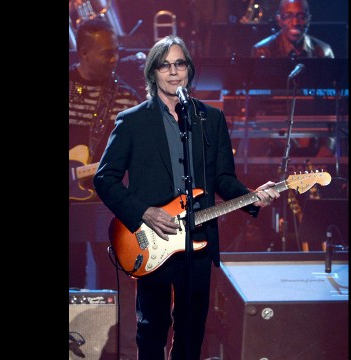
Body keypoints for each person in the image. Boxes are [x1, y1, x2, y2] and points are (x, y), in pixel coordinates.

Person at [93, 35, 280, 360]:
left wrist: (252, 197)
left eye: (179, 63)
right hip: (152, 238)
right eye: (165, 65)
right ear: (153, 72)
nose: (173, 71)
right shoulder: (132, 121)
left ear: (189, 71)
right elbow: (104, 179)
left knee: (192, 332)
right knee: (152, 327)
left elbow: (222, 177)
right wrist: (144, 212)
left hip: (198, 240)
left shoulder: (211, 119)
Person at [68, 16, 142, 288]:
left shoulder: (125, 96)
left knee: (112, 275)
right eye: (107, 53)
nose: (115, 59)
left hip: (105, 201)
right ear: (83, 53)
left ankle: (113, 329)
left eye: (117, 51)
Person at [251, 0, 334, 59]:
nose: (295, 23)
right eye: (288, 16)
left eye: (301, 16)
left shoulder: (324, 51)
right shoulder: (263, 51)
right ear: (279, 20)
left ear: (308, 20)